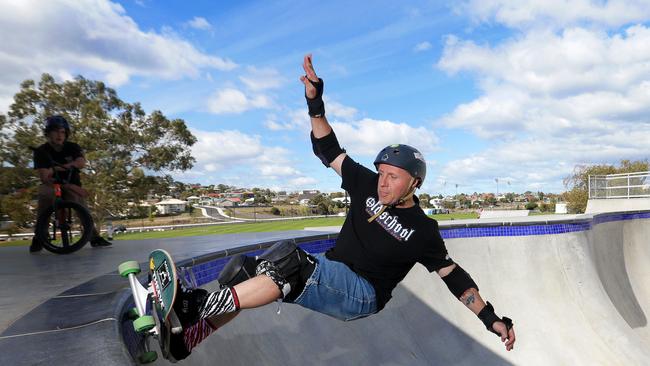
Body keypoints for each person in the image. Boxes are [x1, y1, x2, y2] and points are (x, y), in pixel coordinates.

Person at [166, 55, 516, 361]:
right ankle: (189, 339)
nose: (382, 183)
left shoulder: (423, 230)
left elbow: (454, 278)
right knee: (246, 272)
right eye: (381, 174)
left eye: (393, 177)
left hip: (362, 294)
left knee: (288, 263)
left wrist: (490, 319)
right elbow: (328, 148)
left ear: (414, 183)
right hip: (331, 270)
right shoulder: (365, 184)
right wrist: (315, 104)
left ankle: (194, 306)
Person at [30, 115, 112, 252]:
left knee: (79, 202)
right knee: (45, 197)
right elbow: (45, 177)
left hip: (72, 184)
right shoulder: (41, 151)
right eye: (55, 131)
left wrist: (56, 168)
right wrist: (66, 172)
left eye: (62, 132)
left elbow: (80, 163)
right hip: (53, 185)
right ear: (48, 133)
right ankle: (40, 236)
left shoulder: (72, 147)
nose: (59, 135)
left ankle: (94, 237)